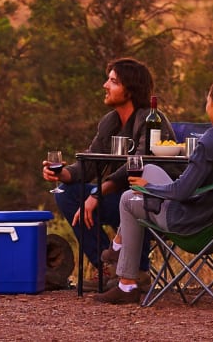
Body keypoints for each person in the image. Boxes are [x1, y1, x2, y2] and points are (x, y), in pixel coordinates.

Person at [94, 76, 213, 305]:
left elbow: (181, 191)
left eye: (208, 99)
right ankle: (117, 246)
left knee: (129, 198)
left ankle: (127, 283)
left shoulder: (211, 140)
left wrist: (149, 189)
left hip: (196, 225)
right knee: (149, 167)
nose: (207, 104)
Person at [41, 57, 155, 288]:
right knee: (65, 192)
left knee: (127, 198)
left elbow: (140, 163)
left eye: (113, 81)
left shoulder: (150, 120)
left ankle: (138, 270)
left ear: (130, 90)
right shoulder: (110, 122)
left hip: (148, 201)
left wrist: (97, 194)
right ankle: (108, 266)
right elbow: (89, 165)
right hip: (116, 199)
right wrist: (62, 174)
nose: (105, 85)